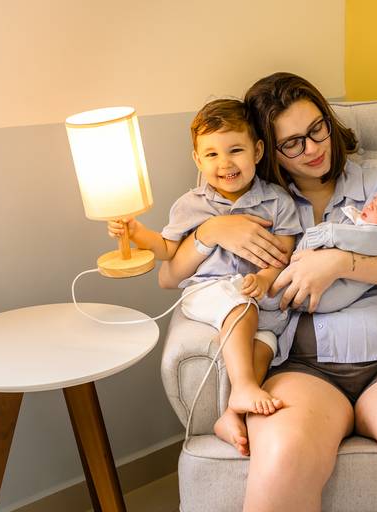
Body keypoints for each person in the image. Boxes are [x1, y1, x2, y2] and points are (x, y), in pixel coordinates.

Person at [160, 73, 377, 511]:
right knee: (282, 460)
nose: (313, 148)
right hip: (302, 366)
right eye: (292, 143)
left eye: (317, 129)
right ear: (266, 150)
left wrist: (341, 263)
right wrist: (210, 230)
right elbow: (172, 274)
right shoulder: (261, 203)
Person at [108, 99, 302, 432]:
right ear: (198, 160)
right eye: (211, 154)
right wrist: (136, 232)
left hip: (258, 294)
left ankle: (232, 414)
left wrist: (265, 278)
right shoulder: (190, 205)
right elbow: (167, 249)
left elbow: (283, 254)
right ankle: (244, 387)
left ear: (257, 151)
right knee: (240, 307)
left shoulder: (277, 202)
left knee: (266, 343)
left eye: (235, 150)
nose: (225, 163)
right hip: (209, 290)